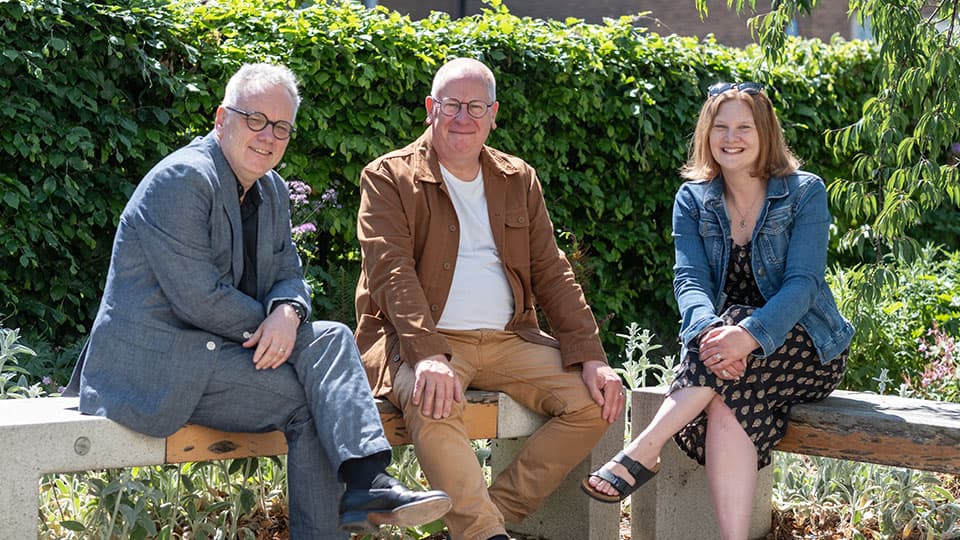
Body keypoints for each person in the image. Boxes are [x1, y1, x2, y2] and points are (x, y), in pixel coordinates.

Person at [65, 62, 451, 539]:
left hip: (223, 356)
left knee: (328, 339)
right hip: (160, 365)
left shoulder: (269, 190)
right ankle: (366, 485)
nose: (268, 136)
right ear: (221, 118)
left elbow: (289, 273)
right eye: (256, 120)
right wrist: (273, 327)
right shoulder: (183, 180)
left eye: (282, 127)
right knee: (314, 400)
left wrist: (287, 313)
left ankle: (367, 482)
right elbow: (198, 299)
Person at [354, 57, 626, 540]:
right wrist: (427, 355)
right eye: (451, 104)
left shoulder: (517, 178)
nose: (463, 117)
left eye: (475, 106)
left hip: (508, 340)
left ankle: (487, 518)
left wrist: (590, 356)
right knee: (433, 399)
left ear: (493, 113)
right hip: (426, 342)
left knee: (595, 403)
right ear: (429, 109)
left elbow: (551, 270)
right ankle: (484, 533)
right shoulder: (388, 176)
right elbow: (390, 272)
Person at [582, 82, 855, 539]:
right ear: (707, 135)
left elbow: (803, 285)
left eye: (743, 127)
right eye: (720, 127)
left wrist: (746, 335)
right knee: (730, 401)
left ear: (764, 133)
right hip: (726, 355)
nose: (731, 137)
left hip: (807, 345)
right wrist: (711, 331)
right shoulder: (693, 199)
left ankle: (644, 448)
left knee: (729, 347)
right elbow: (690, 280)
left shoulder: (804, 192)